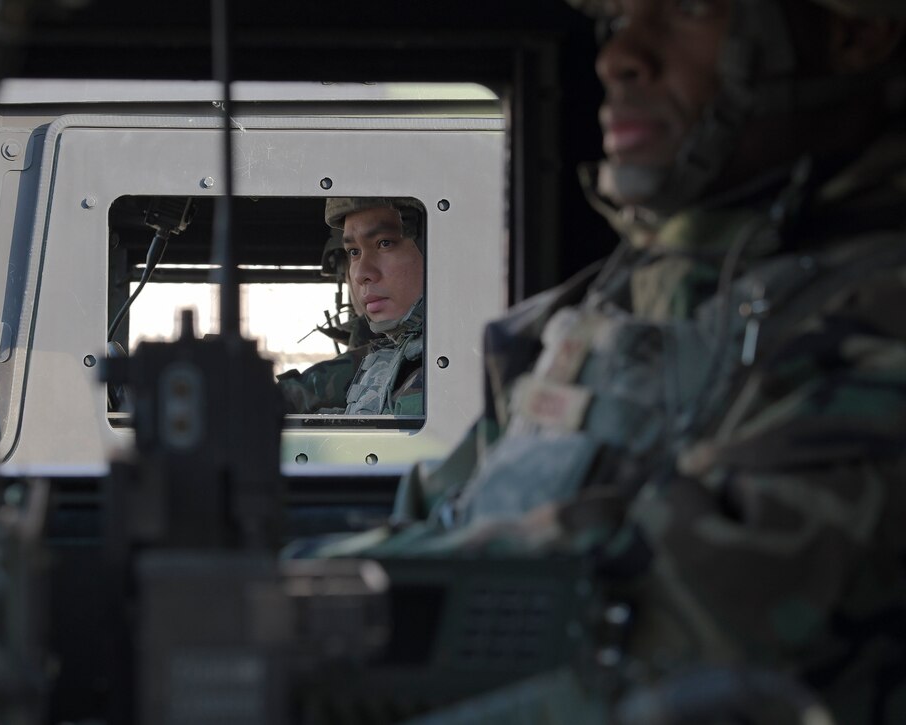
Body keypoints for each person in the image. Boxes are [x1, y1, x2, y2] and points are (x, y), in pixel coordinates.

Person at [298, 1, 906, 721]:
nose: (619, 58)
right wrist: (281, 602)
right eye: (616, 19)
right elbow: (443, 523)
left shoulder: (875, 316)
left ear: (851, 33)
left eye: (685, 10)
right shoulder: (588, 312)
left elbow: (691, 630)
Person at [278, 197, 426, 416]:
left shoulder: (456, 366)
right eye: (354, 252)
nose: (360, 274)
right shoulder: (394, 362)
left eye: (384, 243)